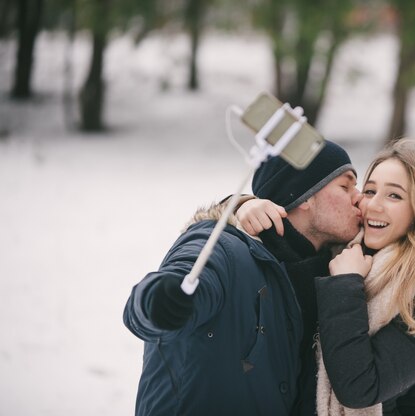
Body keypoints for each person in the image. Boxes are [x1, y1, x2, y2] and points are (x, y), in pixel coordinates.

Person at [237, 138, 415, 416]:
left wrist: (345, 286)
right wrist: (242, 204)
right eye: (370, 191)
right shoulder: (343, 247)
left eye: (394, 195)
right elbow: (287, 231)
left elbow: (358, 388)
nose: (372, 205)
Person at [122, 140, 362, 415]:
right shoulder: (224, 248)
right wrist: (159, 300)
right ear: (305, 196)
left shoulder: (338, 275)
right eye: (346, 186)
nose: (359, 197)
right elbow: (181, 278)